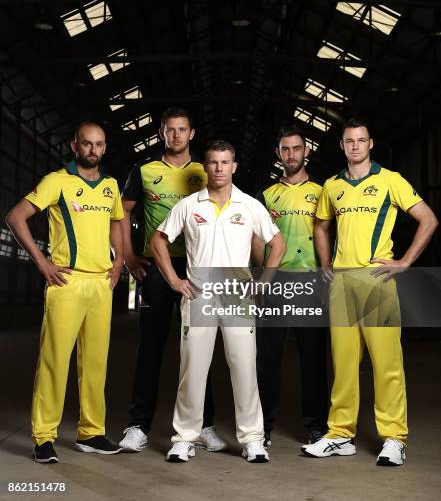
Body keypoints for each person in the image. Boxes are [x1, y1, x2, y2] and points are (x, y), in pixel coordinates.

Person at [302, 118, 438, 466]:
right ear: (342, 145)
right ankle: (340, 434)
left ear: (370, 143)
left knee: (386, 364)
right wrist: (324, 265)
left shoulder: (390, 179)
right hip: (342, 283)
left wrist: (405, 261)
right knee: (344, 364)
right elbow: (321, 226)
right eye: (349, 141)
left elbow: (429, 219)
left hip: (377, 281)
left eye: (361, 140)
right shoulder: (332, 186)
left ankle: (394, 438)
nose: (356, 146)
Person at [150, 140, 286, 463]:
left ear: (234, 167)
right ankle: (184, 438)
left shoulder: (250, 205)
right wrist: (174, 280)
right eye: (213, 162)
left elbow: (277, 244)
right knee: (193, 368)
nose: (219, 168)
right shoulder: (189, 205)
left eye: (225, 162)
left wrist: (263, 281)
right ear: (205, 166)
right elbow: (158, 240)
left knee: (244, 368)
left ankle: (253, 439)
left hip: (238, 296)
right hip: (200, 295)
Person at [6, 122, 124, 464]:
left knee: (96, 363)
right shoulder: (57, 181)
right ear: (75, 146)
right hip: (66, 283)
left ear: (105, 147)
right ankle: (44, 437)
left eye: (99, 144)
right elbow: (16, 217)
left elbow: (117, 222)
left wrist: (118, 264)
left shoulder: (111, 186)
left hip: (101, 284)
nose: (93, 150)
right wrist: (43, 263)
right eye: (86, 144)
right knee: (54, 361)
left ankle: (91, 432)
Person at [119, 108, 226, 453]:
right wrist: (127, 256)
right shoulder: (145, 170)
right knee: (150, 349)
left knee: (200, 351)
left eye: (182, 129)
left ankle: (205, 425)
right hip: (156, 270)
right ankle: (138, 426)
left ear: (192, 134)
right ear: (162, 133)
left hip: (198, 269)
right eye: (170, 130)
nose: (176, 135)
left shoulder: (206, 170)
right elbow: (120, 212)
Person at [252, 127, 328, 448]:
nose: (291, 155)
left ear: (306, 151)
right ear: (278, 153)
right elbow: (258, 239)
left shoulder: (323, 191)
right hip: (276, 283)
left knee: (313, 357)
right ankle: (263, 426)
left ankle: (316, 426)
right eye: (285, 149)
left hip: (310, 281)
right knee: (268, 358)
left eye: (297, 149)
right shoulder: (267, 195)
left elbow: (328, 231)